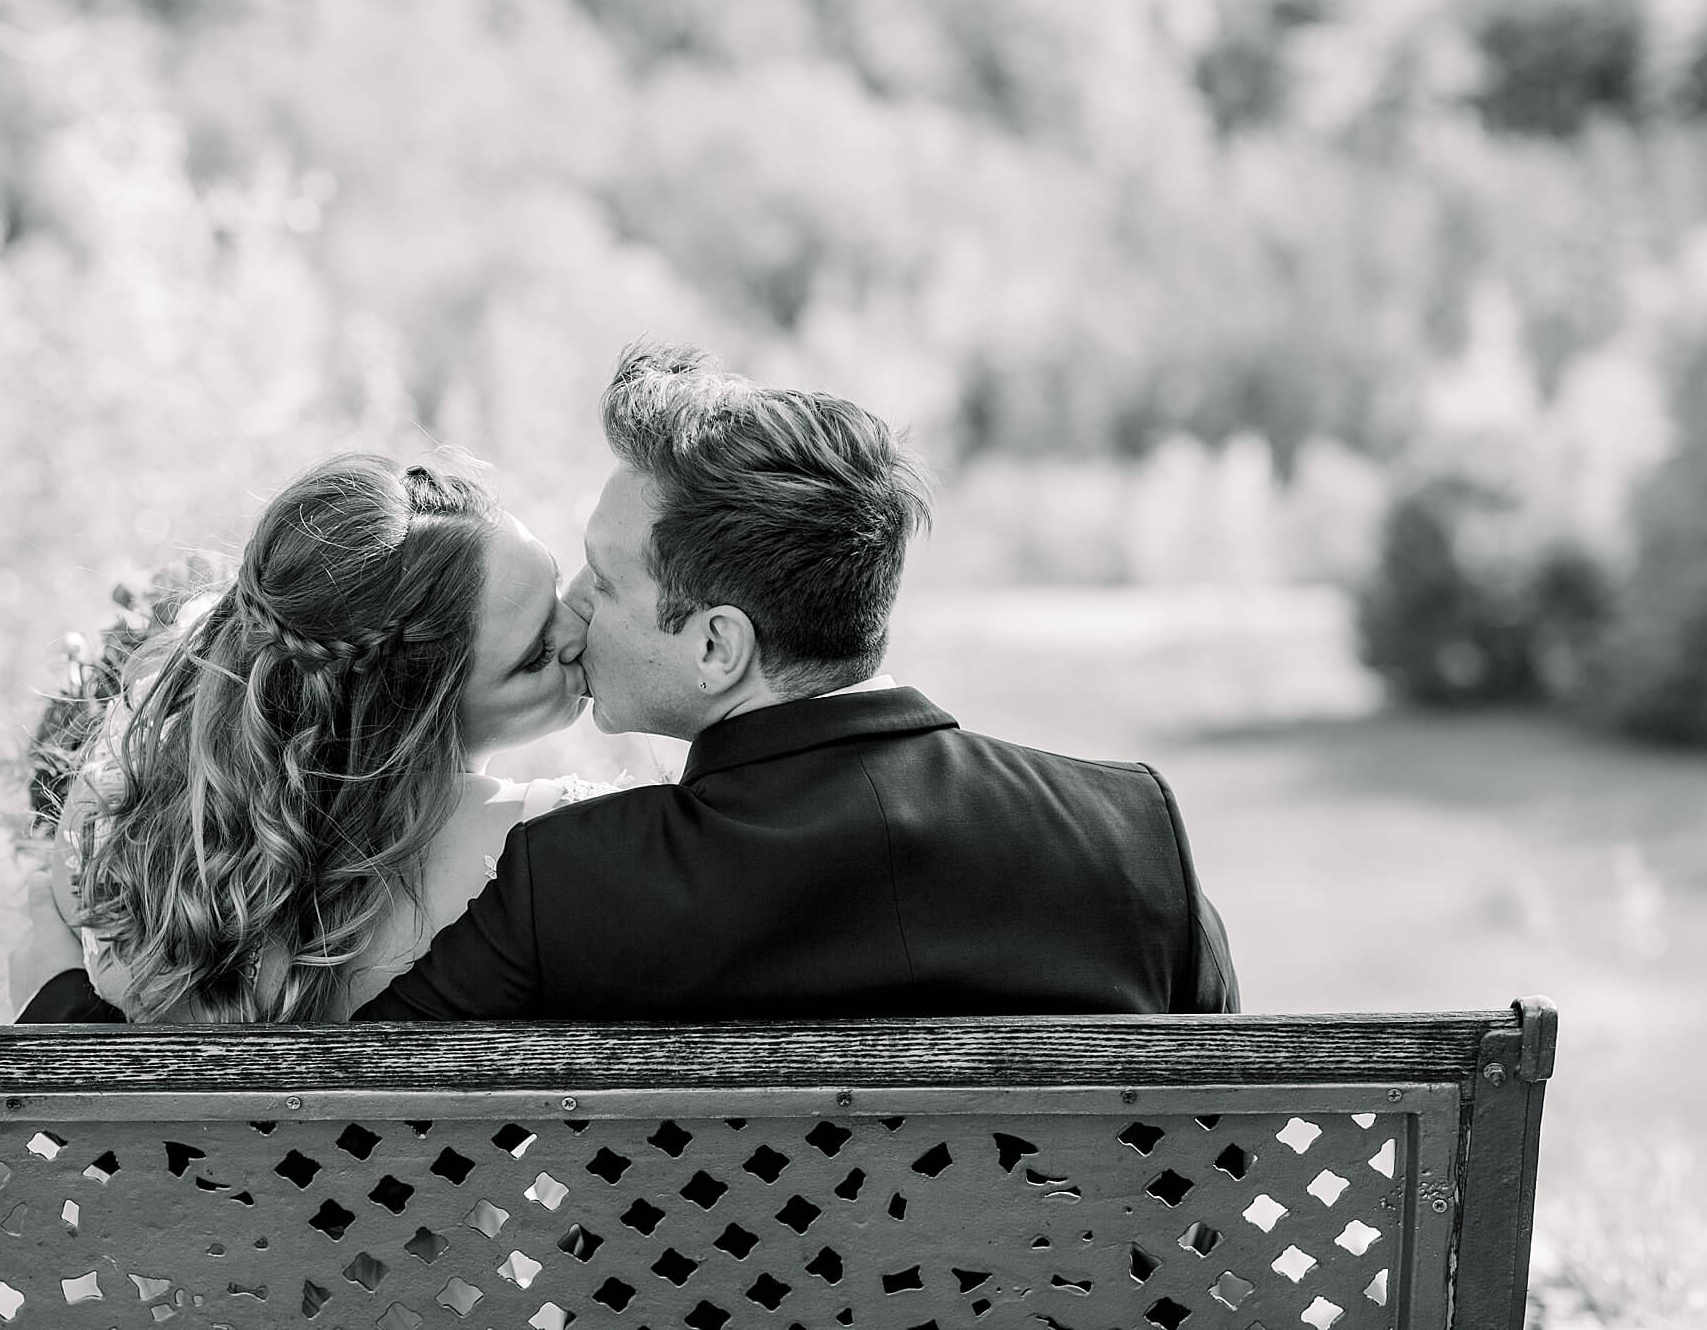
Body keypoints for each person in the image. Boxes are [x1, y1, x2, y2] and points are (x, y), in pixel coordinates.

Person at [350, 343, 1238, 1020]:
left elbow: (344, 1156)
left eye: (605, 581)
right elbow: (1224, 1182)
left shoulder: (574, 883)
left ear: (717, 648)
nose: (572, 608)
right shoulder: (1134, 840)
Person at [13, 453, 604, 1022]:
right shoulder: (548, 851)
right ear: (413, 714)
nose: (578, 628)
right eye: (536, 655)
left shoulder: (115, 822)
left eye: (554, 588)